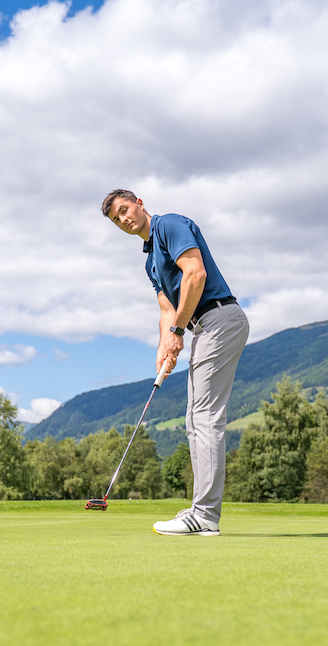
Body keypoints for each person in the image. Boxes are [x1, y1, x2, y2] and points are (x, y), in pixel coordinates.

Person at [101, 189, 249, 535]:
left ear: (139, 203)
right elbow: (167, 309)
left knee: (205, 417)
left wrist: (178, 330)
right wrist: (164, 345)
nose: (123, 219)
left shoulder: (168, 225)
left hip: (219, 318)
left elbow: (195, 275)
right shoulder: (150, 258)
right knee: (194, 420)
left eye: (125, 209)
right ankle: (202, 510)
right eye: (116, 219)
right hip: (202, 327)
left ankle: (205, 515)